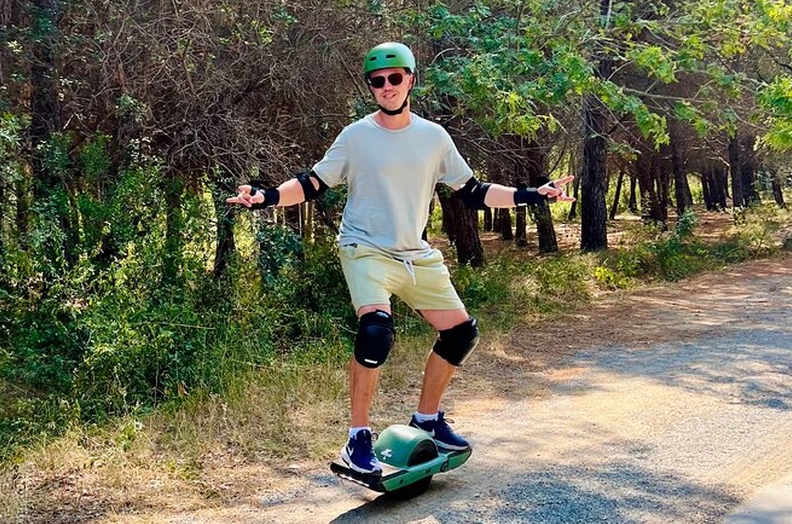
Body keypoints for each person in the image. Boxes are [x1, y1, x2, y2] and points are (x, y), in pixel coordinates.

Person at [227, 42, 574, 475]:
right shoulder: (355, 136)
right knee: (376, 333)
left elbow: (473, 192)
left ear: (410, 80)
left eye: (395, 78)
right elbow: (313, 184)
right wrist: (266, 197)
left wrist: (531, 195)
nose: (387, 87)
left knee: (461, 334)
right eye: (377, 81)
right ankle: (357, 439)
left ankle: (426, 419)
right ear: (370, 87)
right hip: (365, 248)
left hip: (416, 254)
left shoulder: (433, 138)